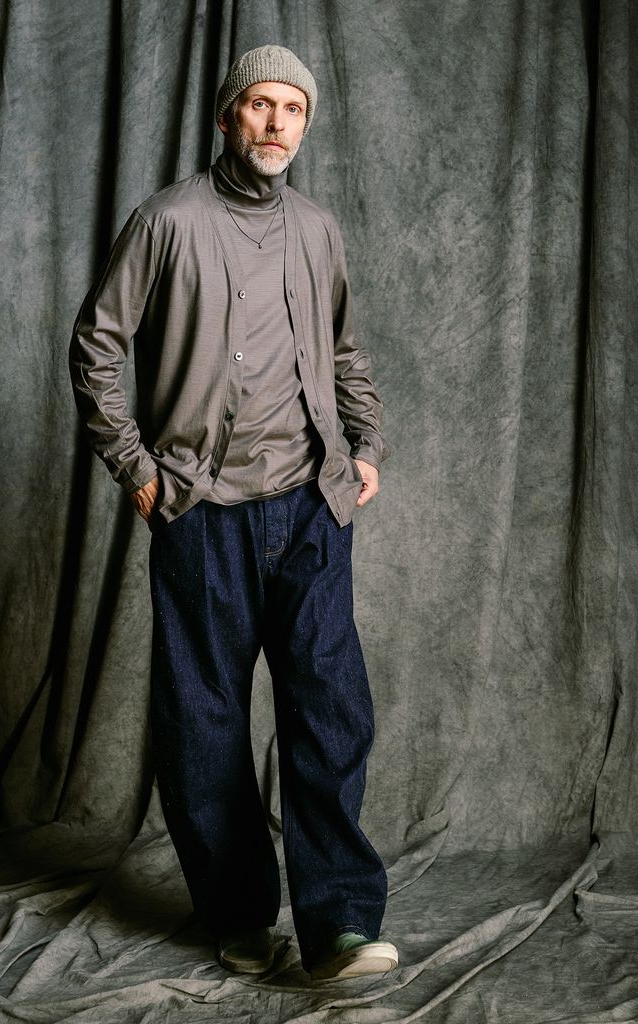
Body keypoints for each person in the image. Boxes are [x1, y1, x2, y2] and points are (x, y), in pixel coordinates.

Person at [69, 44, 397, 981]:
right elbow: (97, 345)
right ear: (227, 117)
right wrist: (135, 468)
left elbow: (344, 348)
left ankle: (338, 925)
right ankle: (241, 914)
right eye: (260, 105)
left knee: (331, 711)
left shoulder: (318, 229)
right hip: (201, 509)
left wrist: (365, 446)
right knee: (205, 722)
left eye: (293, 108)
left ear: (306, 124)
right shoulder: (167, 220)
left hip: (309, 506)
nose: (276, 123)